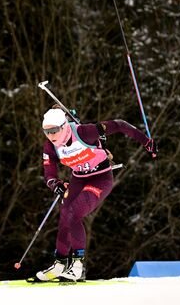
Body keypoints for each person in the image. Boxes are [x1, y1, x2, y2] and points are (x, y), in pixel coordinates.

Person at [33, 106, 157, 282]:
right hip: (78, 179)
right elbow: (49, 173)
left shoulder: (84, 132)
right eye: (46, 132)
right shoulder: (50, 146)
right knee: (65, 216)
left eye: (54, 131)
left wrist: (146, 142)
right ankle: (59, 265)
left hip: (100, 179)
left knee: (75, 214)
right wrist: (56, 184)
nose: (51, 136)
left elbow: (120, 125)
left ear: (64, 126)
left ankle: (77, 267)